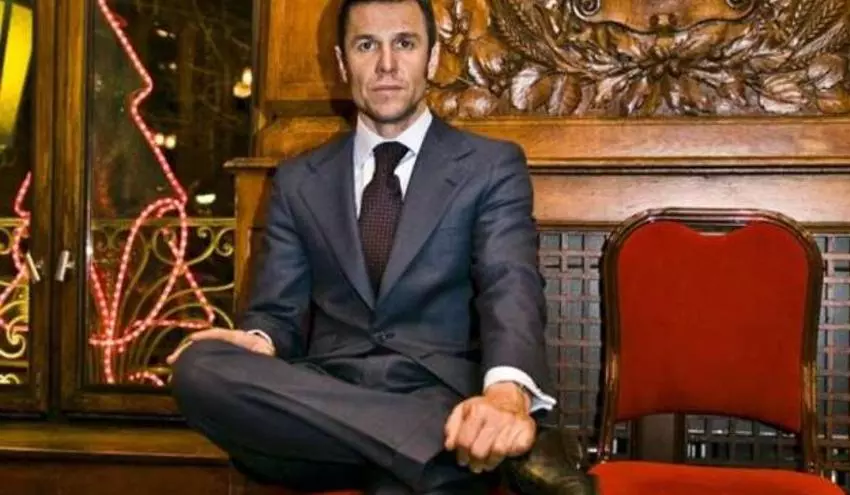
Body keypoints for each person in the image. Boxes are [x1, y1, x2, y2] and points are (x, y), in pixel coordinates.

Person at [169, 0, 596, 493]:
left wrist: (505, 394)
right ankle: (449, 447)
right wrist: (260, 340)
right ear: (341, 61)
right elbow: (277, 313)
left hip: (436, 390)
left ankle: (424, 452)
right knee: (199, 368)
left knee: (398, 484)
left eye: (405, 43)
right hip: (323, 408)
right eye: (367, 45)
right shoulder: (298, 180)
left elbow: (510, 284)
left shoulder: (489, 166)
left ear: (432, 58)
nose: (387, 64)